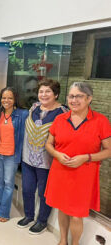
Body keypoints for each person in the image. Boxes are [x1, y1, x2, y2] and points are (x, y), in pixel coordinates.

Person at [45, 82, 111, 245]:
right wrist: (57, 155)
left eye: (79, 96)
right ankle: (62, 240)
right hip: (60, 170)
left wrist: (86, 157)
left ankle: (75, 243)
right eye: (71, 96)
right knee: (61, 208)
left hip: (84, 175)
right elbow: (48, 144)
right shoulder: (60, 119)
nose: (74, 100)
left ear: (89, 99)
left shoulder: (101, 121)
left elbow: (108, 150)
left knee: (76, 214)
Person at [17, 79, 68, 235]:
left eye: (48, 92)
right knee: (27, 189)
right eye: (41, 91)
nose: (43, 95)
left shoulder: (63, 113)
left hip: (47, 162)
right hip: (28, 158)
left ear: (56, 94)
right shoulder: (34, 108)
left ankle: (42, 221)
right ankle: (29, 215)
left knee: (44, 193)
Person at [0, 87, 28, 222]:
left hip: (11, 155)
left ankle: (4, 212)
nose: (6, 100)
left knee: (8, 183)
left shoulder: (22, 114)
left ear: (15, 99)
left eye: (10, 98)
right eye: (4, 98)